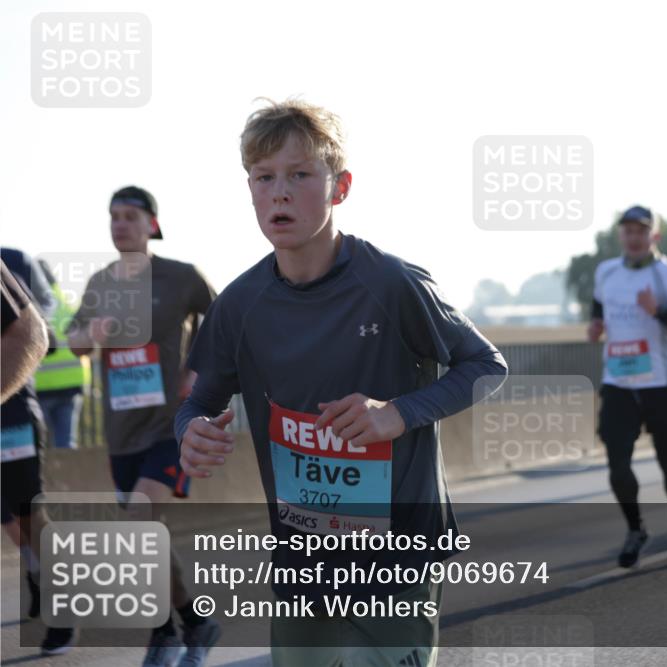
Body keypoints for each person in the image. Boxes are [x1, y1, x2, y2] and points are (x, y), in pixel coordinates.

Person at [174, 99, 507, 667]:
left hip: (399, 549)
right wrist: (192, 431)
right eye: (264, 178)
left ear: (340, 187)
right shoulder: (238, 305)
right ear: (250, 190)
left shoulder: (392, 283)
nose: (279, 192)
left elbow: (486, 367)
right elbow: (198, 402)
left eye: (300, 175)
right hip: (303, 558)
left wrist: (397, 413)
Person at [66, 186, 221, 666]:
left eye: (130, 216)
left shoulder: (180, 277)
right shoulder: (99, 282)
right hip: (121, 434)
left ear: (151, 224)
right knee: (145, 531)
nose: (119, 225)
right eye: (113, 216)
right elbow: (72, 340)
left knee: (137, 521)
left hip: (171, 425)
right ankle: (196, 623)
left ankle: (164, 635)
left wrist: (195, 370)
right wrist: (88, 336)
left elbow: (219, 318)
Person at [588, 205, 667, 569]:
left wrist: (658, 313)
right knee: (617, 465)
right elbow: (598, 304)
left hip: (662, 384)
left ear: (654, 235)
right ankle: (636, 529)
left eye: (641, 231)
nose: (634, 238)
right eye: (628, 231)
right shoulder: (606, 271)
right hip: (618, 383)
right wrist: (595, 326)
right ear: (620, 235)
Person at [1, 259, 75, 655]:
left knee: (28, 511)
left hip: (11, 417)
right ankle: (36, 573)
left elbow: (39, 337)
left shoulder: (12, 257)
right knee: (5, 515)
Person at [34, 258, 91, 449]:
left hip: (41, 386)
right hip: (72, 384)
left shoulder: (30, 307)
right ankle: (71, 478)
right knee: (66, 442)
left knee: (38, 445)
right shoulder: (68, 306)